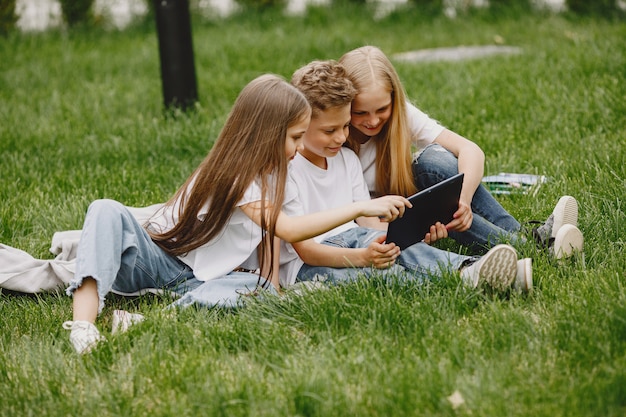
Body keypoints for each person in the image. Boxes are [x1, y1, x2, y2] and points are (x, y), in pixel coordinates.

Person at [62, 74, 411, 354]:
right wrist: (361, 206)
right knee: (104, 209)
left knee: (256, 288)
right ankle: (84, 326)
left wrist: (269, 290)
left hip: (202, 280)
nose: (298, 146)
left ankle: (143, 321)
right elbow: (288, 229)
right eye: (294, 137)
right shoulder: (238, 174)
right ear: (266, 134)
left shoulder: (279, 177)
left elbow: (272, 249)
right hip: (158, 261)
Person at [278, 59, 525, 292]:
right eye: (330, 130)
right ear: (301, 122)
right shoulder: (286, 170)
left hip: (358, 239)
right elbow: (306, 251)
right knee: (384, 277)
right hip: (309, 264)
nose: (342, 137)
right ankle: (474, 278)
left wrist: (406, 238)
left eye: (345, 126)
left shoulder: (347, 159)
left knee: (398, 250)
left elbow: (370, 225)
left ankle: (471, 271)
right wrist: (363, 257)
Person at [338, 45, 583, 258]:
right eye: (360, 112)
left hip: (406, 204)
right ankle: (536, 247)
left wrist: (463, 202)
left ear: (394, 99)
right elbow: (360, 217)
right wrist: (417, 234)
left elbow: (470, 150)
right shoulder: (333, 137)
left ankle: (529, 238)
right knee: (442, 206)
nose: (372, 121)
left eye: (382, 109)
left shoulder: (401, 115)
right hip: (378, 221)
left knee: (434, 161)